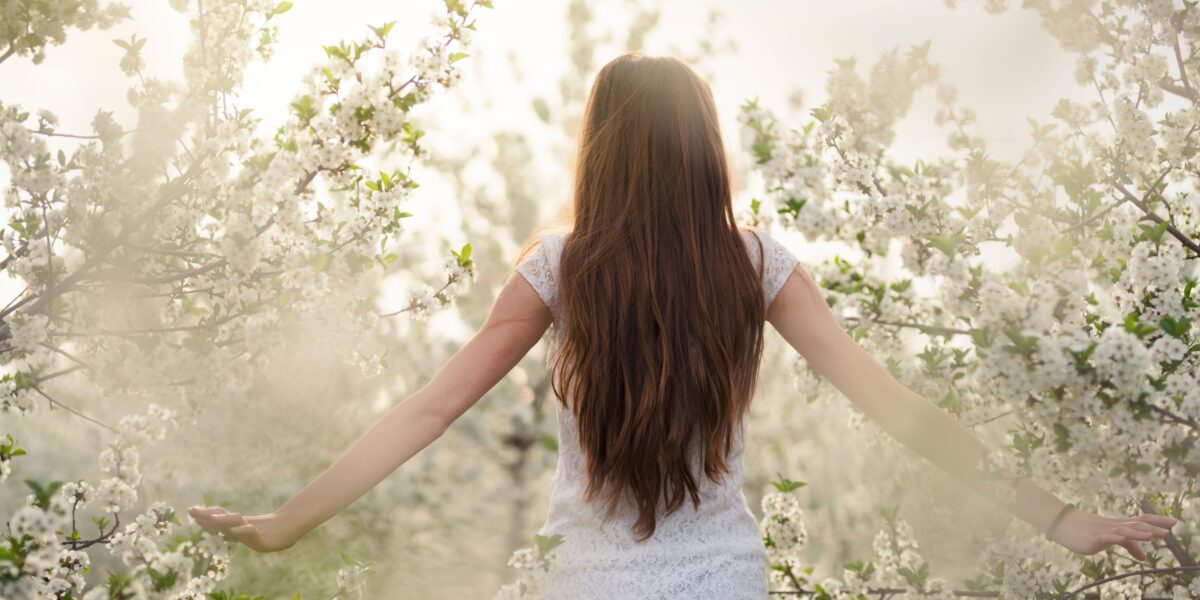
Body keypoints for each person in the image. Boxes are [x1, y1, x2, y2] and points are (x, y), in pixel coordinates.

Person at [189, 52, 1177, 598]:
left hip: (583, 584)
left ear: (602, 147)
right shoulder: (755, 266)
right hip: (721, 583)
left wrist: (291, 520)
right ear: (705, 147)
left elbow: (428, 410)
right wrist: (1056, 518)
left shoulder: (561, 268)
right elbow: (897, 407)